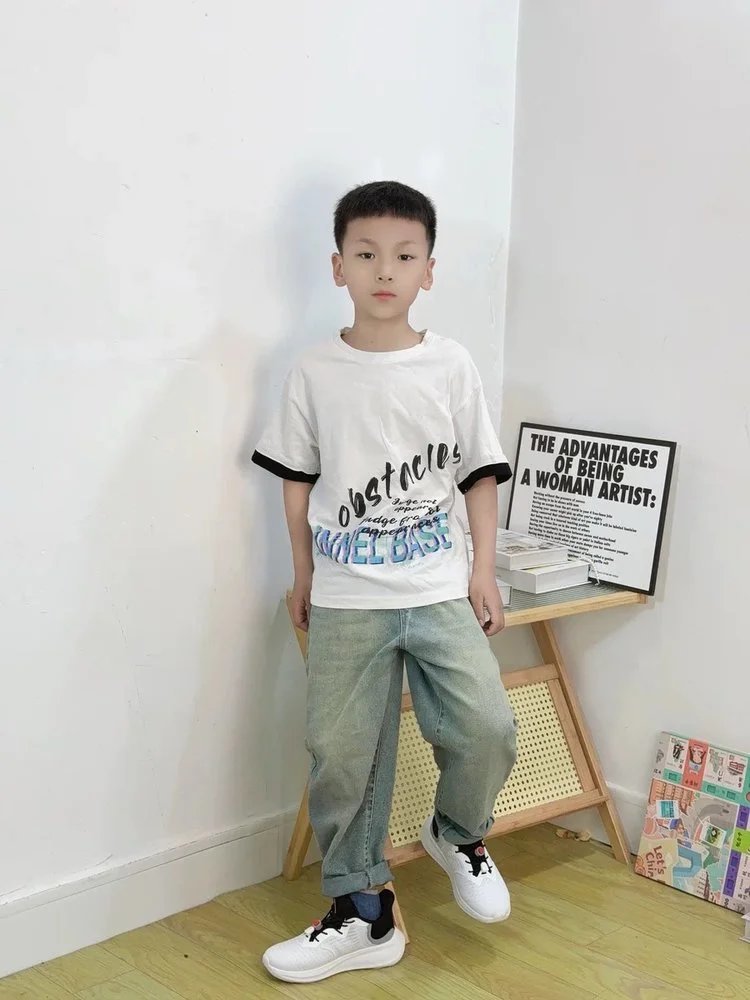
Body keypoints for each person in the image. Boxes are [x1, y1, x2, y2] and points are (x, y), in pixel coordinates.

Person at [252, 180, 518, 984]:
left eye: (404, 256)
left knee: (486, 726)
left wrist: (483, 570)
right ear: (338, 266)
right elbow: (296, 479)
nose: (385, 270)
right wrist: (302, 572)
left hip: (437, 588)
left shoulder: (450, 365)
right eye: (366, 254)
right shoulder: (313, 370)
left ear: (429, 271)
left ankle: (457, 832)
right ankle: (362, 911)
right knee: (341, 754)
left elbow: (478, 474)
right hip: (346, 596)